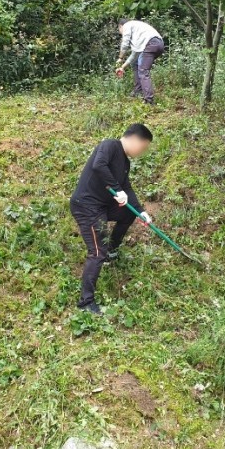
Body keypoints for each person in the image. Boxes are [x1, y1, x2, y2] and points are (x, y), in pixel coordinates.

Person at [70, 123, 155, 314]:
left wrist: (140, 211)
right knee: (96, 251)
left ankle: (112, 250)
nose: (142, 152)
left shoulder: (125, 163)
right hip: (86, 206)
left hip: (102, 206)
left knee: (128, 213)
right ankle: (85, 302)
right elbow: (98, 165)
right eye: (143, 147)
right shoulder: (109, 145)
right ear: (135, 139)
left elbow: (127, 188)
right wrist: (116, 189)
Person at [115, 18, 165, 105]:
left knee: (143, 71)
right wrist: (122, 67)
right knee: (136, 63)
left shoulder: (127, 25)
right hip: (159, 44)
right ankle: (137, 92)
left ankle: (149, 100)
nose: (121, 33)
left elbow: (125, 44)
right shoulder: (138, 33)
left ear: (120, 26)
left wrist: (120, 57)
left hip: (151, 44)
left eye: (119, 30)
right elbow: (134, 55)